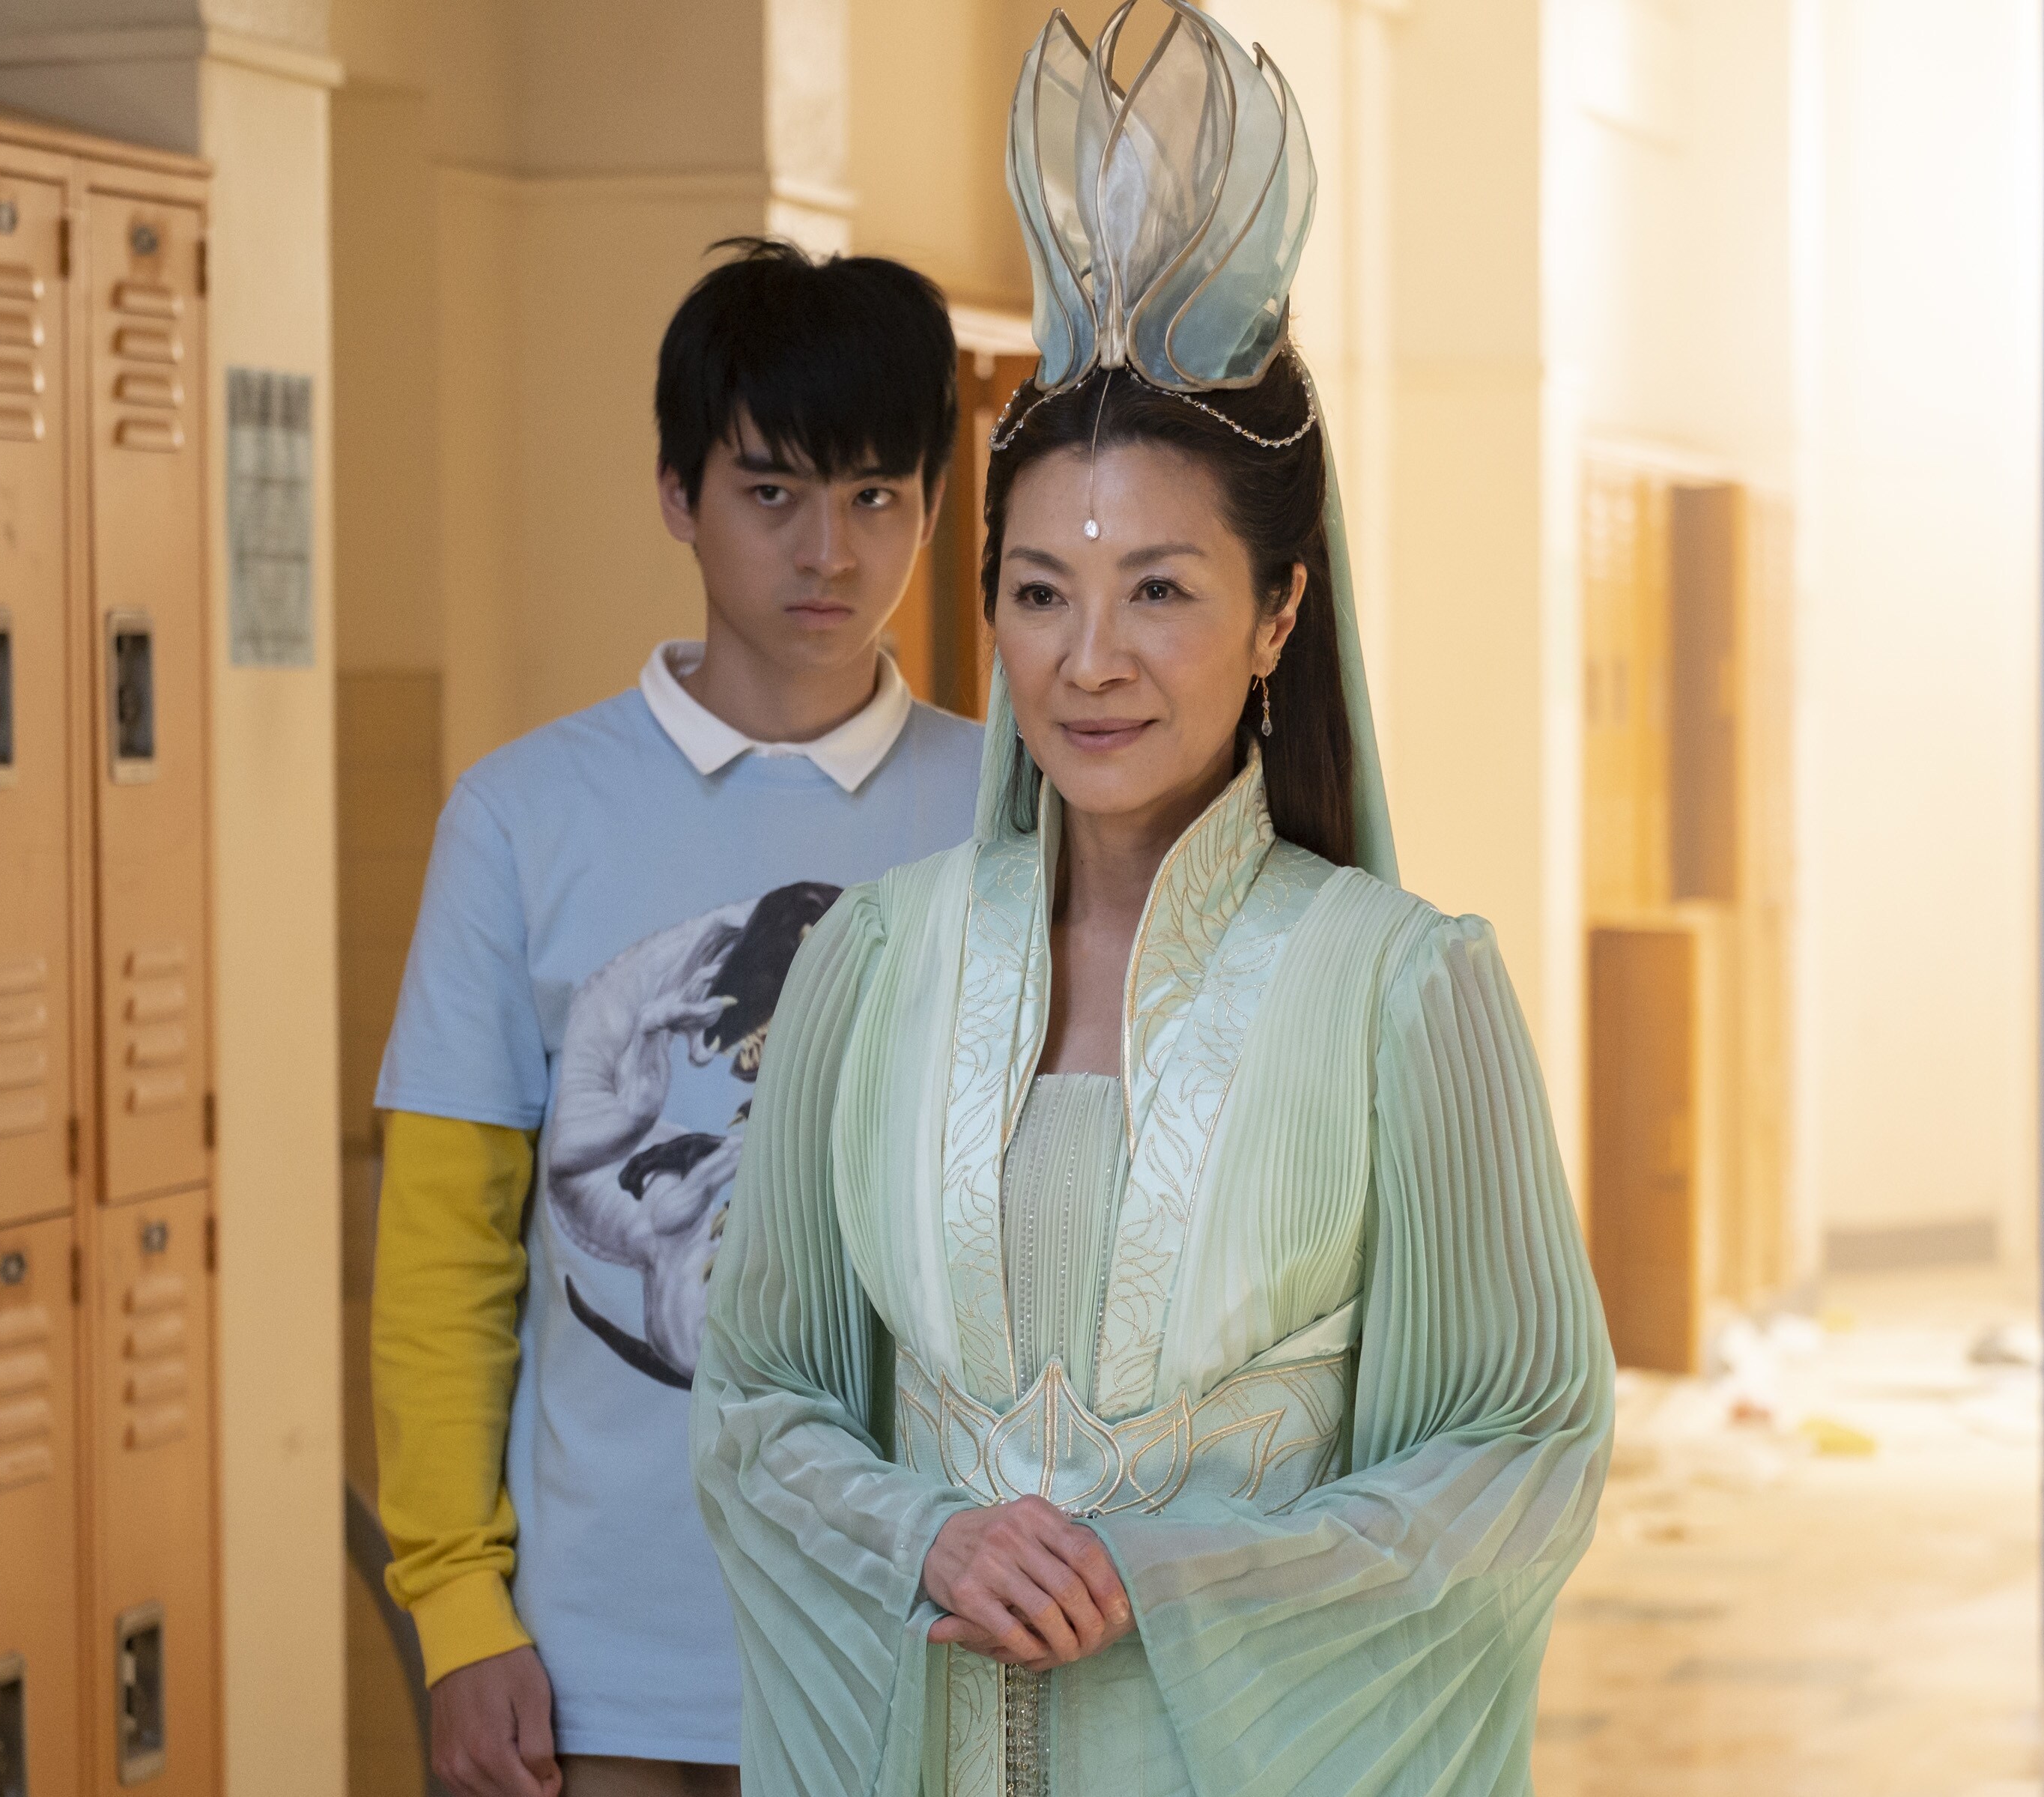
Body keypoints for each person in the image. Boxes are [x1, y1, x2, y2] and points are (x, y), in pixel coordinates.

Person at [690, 8, 1613, 1796]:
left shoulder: (1403, 994)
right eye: (1039, 593)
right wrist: (925, 1541)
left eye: (1164, 594)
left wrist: (1174, 1578)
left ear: (1279, 618)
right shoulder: (873, 967)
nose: (1089, 661)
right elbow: (758, 1405)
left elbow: (1518, 1449)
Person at [372, 238, 984, 1797]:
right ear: (676, 495)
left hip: (930, 1646)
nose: (828, 553)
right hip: (604, 1665)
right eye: (771, 492)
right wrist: (455, 1609)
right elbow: (446, 1250)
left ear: (932, 501)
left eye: (876, 497)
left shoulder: (1014, 812)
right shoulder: (522, 818)